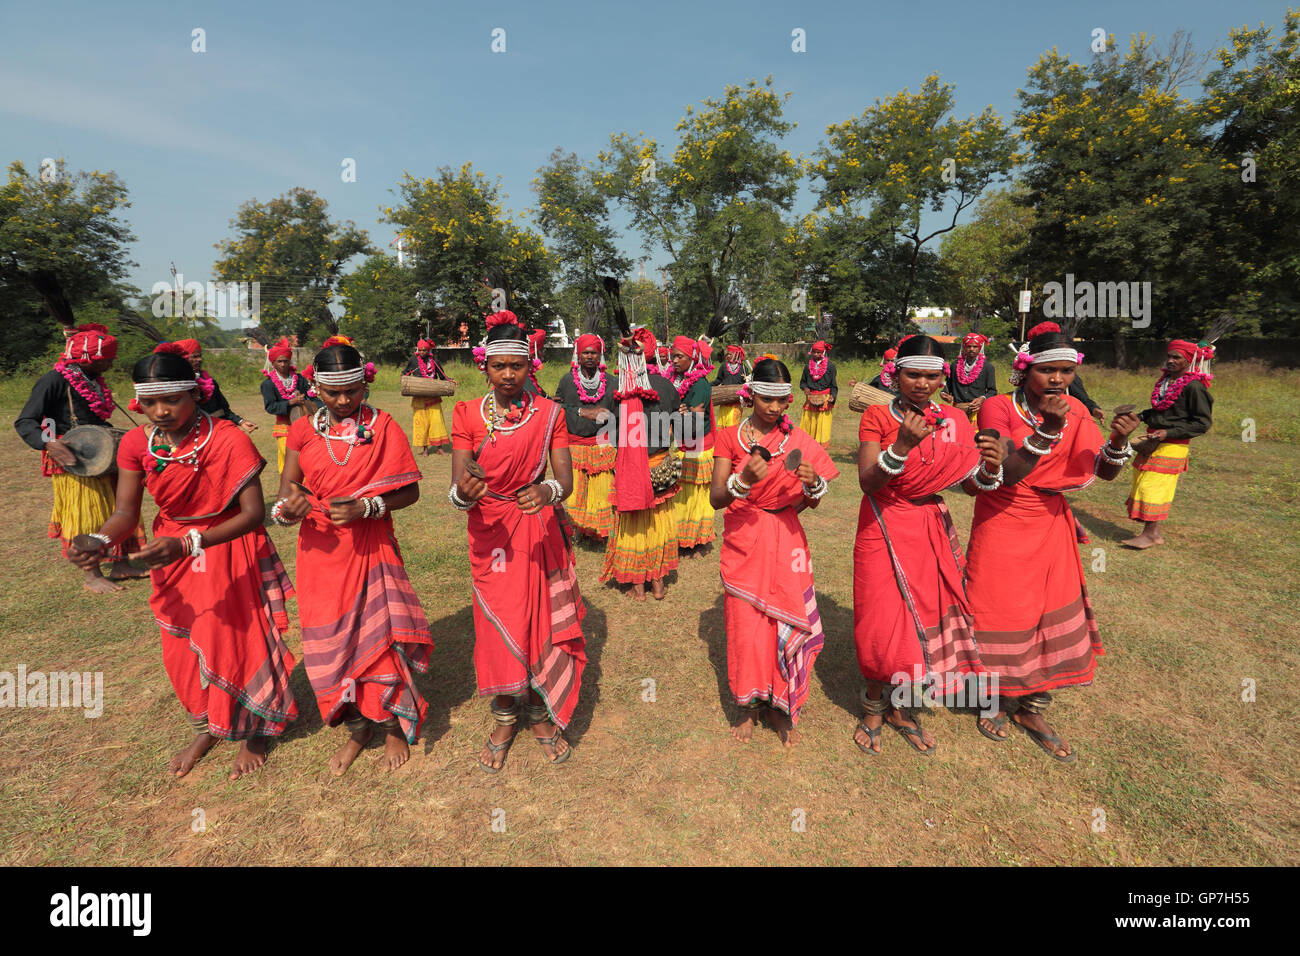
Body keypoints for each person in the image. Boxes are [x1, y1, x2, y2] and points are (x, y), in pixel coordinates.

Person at [67, 350, 299, 779]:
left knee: (238, 637)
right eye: (151, 403)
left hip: (229, 542)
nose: (161, 411)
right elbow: (125, 513)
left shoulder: (228, 438)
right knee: (179, 648)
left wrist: (191, 542)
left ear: (193, 392)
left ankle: (256, 730)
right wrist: (99, 540)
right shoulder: (138, 442)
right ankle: (206, 725)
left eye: (172, 400)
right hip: (171, 551)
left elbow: (252, 514)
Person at [965, 330, 1141, 761]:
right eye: (1048, 370)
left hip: (1050, 521)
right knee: (997, 606)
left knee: (1046, 610)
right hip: (1003, 515)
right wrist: (1050, 428)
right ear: (1025, 371)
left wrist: (1118, 443)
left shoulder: (1077, 408)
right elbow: (1005, 471)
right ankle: (992, 697)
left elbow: (1104, 471)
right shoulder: (999, 406)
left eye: (1066, 371)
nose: (1059, 379)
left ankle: (1033, 706)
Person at [273, 340, 432, 775]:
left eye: (353, 391)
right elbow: (288, 487)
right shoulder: (302, 429)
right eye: (333, 393)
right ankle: (359, 727)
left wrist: (367, 507)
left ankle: (392, 725)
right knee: (334, 641)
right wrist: (291, 505)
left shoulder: (382, 426)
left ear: (365, 384)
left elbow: (411, 491)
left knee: (378, 635)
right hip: (320, 552)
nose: (344, 401)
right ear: (315, 389)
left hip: (370, 546)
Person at [851, 335, 1009, 756]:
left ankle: (902, 708)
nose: (922, 383)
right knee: (880, 616)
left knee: (924, 615)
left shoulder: (956, 419)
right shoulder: (876, 415)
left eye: (931, 376)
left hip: (929, 525)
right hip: (883, 524)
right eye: (913, 374)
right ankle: (871, 705)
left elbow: (970, 486)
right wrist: (901, 445)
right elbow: (867, 480)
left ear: (944, 377)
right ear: (896, 375)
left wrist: (991, 467)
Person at [450, 314, 586, 772]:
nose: (508, 375)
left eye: (517, 367)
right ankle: (505, 717)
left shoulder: (550, 414)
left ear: (532, 368)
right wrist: (462, 495)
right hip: (489, 533)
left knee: (539, 622)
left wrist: (548, 491)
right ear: (484, 367)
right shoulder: (467, 414)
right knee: (496, 626)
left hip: (535, 527)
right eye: (498, 367)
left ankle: (539, 715)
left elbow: (564, 478)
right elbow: (459, 484)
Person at [710, 358, 838, 747]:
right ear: (751, 395)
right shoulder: (730, 436)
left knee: (788, 621)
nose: (775, 407)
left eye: (782, 400)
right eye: (767, 398)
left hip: (786, 536)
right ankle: (748, 706)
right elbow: (716, 498)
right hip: (744, 537)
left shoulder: (799, 441)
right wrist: (743, 480)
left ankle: (781, 707)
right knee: (746, 626)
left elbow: (812, 502)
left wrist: (813, 484)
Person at [14, 323, 146, 592]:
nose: (112, 362)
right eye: (107, 358)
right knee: (86, 513)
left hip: (100, 452)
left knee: (119, 506)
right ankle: (92, 574)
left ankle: (120, 563)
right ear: (90, 358)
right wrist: (49, 443)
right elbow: (25, 420)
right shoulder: (54, 380)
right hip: (71, 458)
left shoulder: (94, 380)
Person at [601, 328, 682, 600]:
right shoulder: (666, 386)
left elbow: (611, 432)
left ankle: (638, 585)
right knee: (657, 523)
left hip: (630, 468)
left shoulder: (618, 390)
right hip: (660, 466)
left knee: (633, 524)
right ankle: (658, 583)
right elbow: (675, 422)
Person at [1122, 339, 1214, 550]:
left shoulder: (1194, 387)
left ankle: (1150, 534)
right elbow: (1161, 410)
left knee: (1152, 487)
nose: (1170, 361)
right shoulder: (1165, 381)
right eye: (1169, 356)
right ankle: (1153, 533)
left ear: (1188, 360)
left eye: (1177, 357)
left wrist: (1169, 432)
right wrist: (1141, 416)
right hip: (1152, 442)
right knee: (1141, 481)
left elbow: (1202, 423)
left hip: (1173, 445)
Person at [554, 332, 617, 541]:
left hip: (602, 446)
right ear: (578, 356)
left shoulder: (612, 382)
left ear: (600, 356)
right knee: (576, 491)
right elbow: (557, 407)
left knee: (601, 491)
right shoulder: (566, 381)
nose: (590, 357)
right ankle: (577, 530)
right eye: (586, 353)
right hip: (575, 445)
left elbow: (619, 412)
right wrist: (582, 412)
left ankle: (599, 532)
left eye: (594, 353)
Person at [669, 335, 716, 552]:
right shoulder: (675, 379)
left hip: (698, 445)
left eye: (679, 357)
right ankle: (682, 535)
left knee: (697, 494)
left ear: (692, 359)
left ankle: (697, 538)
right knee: (683, 492)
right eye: (673, 357)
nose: (674, 361)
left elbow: (693, 419)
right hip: (684, 442)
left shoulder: (700, 385)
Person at [162, 339, 257, 434]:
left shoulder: (209, 383)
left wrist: (241, 422)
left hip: (217, 431)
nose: (199, 360)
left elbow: (223, 410)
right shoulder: (173, 387)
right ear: (182, 359)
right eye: (195, 357)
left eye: (200, 356)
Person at [260, 337, 314, 473]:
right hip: (284, 427)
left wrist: (308, 396)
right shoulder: (268, 384)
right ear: (273, 362)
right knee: (289, 458)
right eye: (279, 361)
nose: (283, 364)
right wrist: (290, 402)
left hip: (303, 424)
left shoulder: (300, 379)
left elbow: (310, 397)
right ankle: (289, 488)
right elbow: (270, 407)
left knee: (306, 456)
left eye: (286, 361)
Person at [402, 338, 453, 455]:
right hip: (419, 398)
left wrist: (451, 381)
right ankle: (425, 449)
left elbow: (442, 376)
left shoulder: (434, 361)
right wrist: (403, 377)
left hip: (433, 397)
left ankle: (439, 448)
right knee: (422, 423)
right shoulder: (413, 360)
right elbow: (405, 372)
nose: (422, 352)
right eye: (419, 350)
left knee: (437, 422)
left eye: (424, 350)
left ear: (428, 350)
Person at [945, 333, 998, 424]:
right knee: (958, 437)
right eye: (968, 346)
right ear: (964, 348)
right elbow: (948, 387)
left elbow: (992, 391)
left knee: (975, 437)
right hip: (958, 411)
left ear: (980, 348)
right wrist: (944, 394)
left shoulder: (988, 367)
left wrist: (982, 398)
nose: (971, 349)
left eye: (975, 346)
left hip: (977, 411)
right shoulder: (954, 365)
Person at [798, 341, 838, 449]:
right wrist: (805, 388)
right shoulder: (807, 367)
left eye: (818, 352)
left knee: (822, 422)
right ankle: (808, 442)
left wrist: (832, 396)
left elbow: (834, 385)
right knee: (809, 421)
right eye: (814, 352)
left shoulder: (830, 367)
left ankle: (822, 444)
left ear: (823, 352)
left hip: (824, 398)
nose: (816, 355)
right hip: (811, 397)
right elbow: (802, 382)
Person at [712, 344, 748, 430]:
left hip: (736, 403)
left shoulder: (743, 368)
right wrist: (707, 385)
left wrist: (747, 381)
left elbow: (747, 383)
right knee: (722, 426)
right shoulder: (723, 367)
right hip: (724, 401)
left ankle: (732, 442)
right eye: (727, 354)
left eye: (730, 354)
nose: (728, 356)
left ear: (736, 354)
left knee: (732, 426)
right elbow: (718, 380)